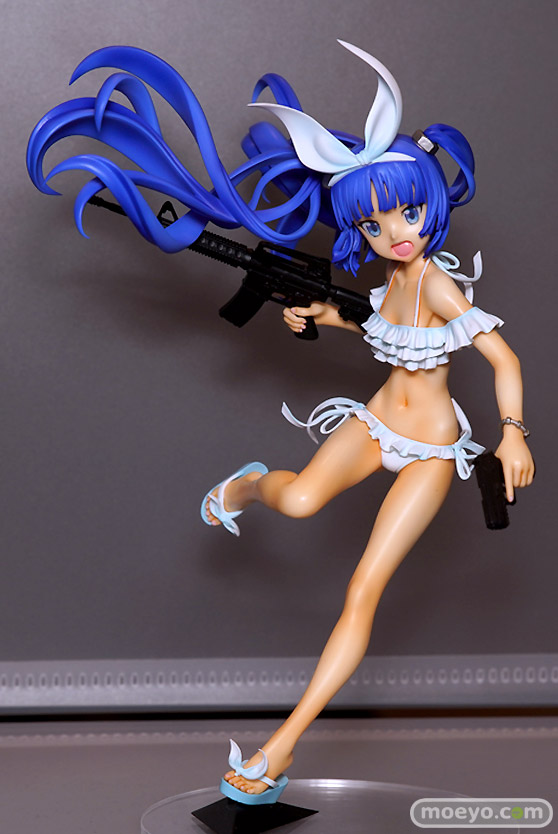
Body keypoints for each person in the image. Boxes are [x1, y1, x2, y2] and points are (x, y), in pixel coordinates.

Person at [27, 40, 534, 804]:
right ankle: (249, 486)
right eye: (374, 223)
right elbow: (381, 329)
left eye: (407, 211)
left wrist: (514, 430)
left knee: (362, 591)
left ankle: (277, 750)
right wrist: (324, 317)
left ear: (430, 201)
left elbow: (501, 357)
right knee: (295, 500)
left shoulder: (437, 285)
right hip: (374, 422)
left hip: (432, 451)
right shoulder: (392, 280)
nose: (395, 231)